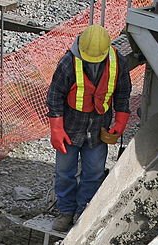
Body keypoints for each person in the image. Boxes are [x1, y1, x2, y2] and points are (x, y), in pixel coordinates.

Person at [46, 24, 132, 231]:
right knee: (64, 172)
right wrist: (56, 128)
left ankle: (84, 211)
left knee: (93, 172)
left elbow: (122, 94)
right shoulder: (68, 62)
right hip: (70, 130)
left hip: (97, 132)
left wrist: (120, 121)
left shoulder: (117, 62)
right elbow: (55, 96)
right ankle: (66, 211)